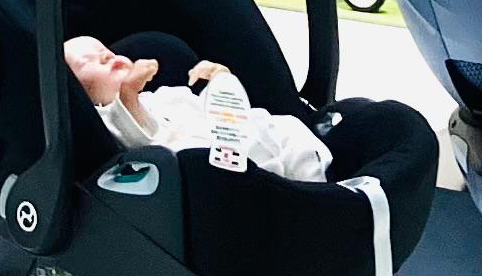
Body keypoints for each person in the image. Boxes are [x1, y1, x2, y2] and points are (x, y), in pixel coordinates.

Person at [61, 34, 330, 180]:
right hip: (216, 171)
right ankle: (309, 194)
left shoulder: (165, 96)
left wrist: (219, 82)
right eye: (88, 61)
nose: (106, 55)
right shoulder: (105, 119)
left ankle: (318, 185)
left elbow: (214, 110)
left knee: (285, 126)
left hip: (251, 141)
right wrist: (127, 94)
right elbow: (132, 134)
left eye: (104, 49)